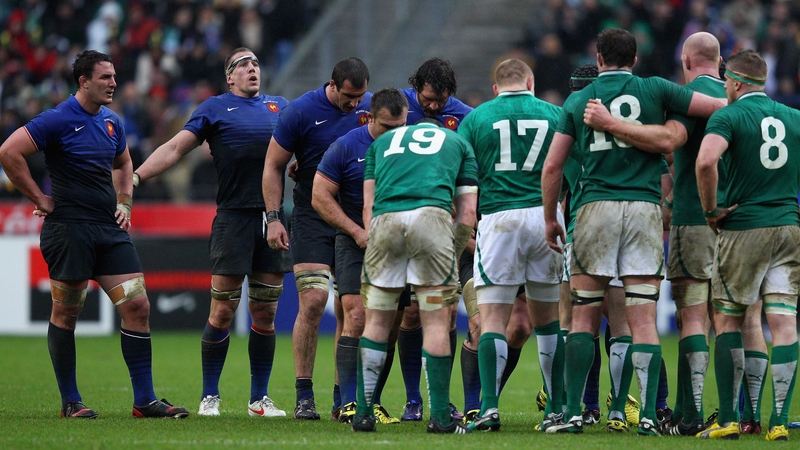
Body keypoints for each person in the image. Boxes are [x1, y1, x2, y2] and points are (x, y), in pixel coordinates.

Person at [541, 28, 724, 435]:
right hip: (644, 208)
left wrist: (551, 218)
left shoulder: (577, 100)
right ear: (636, 59)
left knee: (584, 315)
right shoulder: (657, 88)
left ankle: (573, 414)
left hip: (594, 208)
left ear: (599, 57)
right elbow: (720, 105)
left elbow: (553, 167)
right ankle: (645, 416)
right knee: (642, 321)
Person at [0, 50, 188, 419]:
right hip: (69, 229)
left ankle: (144, 400)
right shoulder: (56, 119)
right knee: (67, 313)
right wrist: (39, 197)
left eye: (114, 77)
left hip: (108, 228)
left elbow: (123, 162)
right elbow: (8, 152)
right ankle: (71, 401)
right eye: (105, 78)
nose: (113, 83)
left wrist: (125, 202)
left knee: (138, 305)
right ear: (83, 82)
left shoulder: (112, 122)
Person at [131, 48, 290, 417]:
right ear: (229, 77)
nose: (252, 68)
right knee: (222, 312)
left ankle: (259, 400)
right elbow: (174, 149)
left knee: (264, 313)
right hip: (232, 220)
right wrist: (137, 176)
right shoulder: (214, 109)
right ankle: (210, 396)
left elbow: (301, 149)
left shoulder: (281, 107)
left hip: (272, 219)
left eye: (256, 63)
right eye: (243, 65)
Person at [455, 58, 564, 431]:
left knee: (494, 321)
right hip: (545, 215)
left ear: (495, 87)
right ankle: (557, 409)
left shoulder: (477, 118)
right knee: (549, 323)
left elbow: (462, 177)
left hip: (499, 220)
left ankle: (488, 409)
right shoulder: (554, 113)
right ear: (530, 82)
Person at [696, 49, 799, 441]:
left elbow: (706, 162)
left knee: (727, 319)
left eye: (726, 81)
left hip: (744, 227)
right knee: (784, 321)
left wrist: (711, 210)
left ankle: (729, 420)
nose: (724, 86)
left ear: (737, 82)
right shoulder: (793, 117)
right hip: (789, 228)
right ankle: (777, 422)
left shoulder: (728, 115)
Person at [351, 119, 478, 434]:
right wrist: (453, 248)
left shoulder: (382, 142)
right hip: (431, 222)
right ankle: (440, 419)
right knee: (435, 321)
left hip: (385, 222)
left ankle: (363, 414)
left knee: (377, 322)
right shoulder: (458, 142)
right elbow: (467, 214)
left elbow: (368, 205)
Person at [262, 57, 371, 420]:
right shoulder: (301, 111)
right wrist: (274, 218)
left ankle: (343, 398)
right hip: (311, 213)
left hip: (354, 215)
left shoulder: (372, 109)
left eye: (361, 96)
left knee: (350, 309)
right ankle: (304, 395)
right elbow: (274, 165)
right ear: (333, 84)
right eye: (349, 96)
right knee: (312, 301)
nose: (355, 104)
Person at [311, 88, 409, 424]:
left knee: (392, 327)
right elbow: (319, 196)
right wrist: (355, 231)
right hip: (355, 242)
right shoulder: (346, 146)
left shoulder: (417, 146)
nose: (395, 135)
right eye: (386, 127)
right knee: (356, 317)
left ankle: (373, 400)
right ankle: (350, 401)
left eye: (401, 126)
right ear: (369, 118)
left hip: (399, 243)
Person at [397, 57, 473, 421]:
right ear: (416, 88)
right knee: (409, 314)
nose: (433, 107)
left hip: (446, 228)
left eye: (440, 101)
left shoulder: (465, 117)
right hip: (400, 226)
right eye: (427, 99)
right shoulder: (395, 106)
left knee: (445, 314)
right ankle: (413, 399)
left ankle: (440, 396)